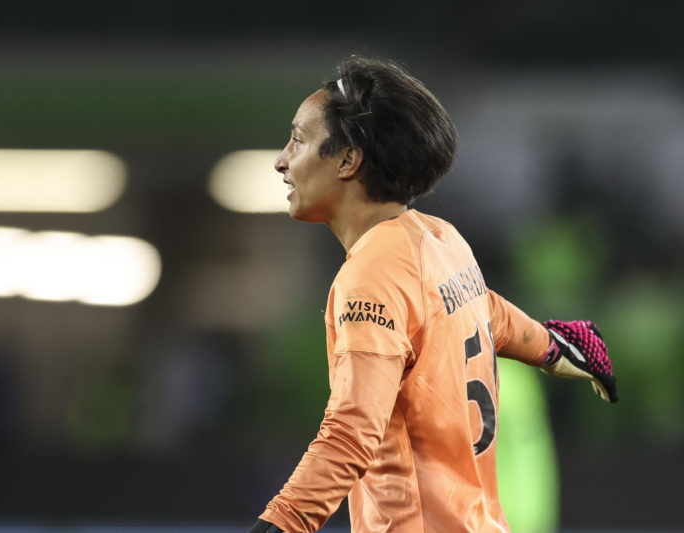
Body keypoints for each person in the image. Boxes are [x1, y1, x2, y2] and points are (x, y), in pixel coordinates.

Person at [248, 57, 617, 533]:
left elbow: (351, 433)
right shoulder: (441, 240)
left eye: (298, 140)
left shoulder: (372, 276)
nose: (281, 160)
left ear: (348, 160)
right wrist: (556, 344)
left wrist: (280, 523)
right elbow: (488, 311)